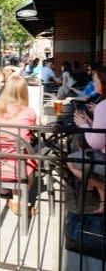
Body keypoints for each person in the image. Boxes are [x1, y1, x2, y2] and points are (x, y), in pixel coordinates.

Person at [0, 75, 37, 214]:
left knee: (18, 154)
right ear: (24, 92)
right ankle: (17, 200)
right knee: (32, 156)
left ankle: (8, 194)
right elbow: (33, 130)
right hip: (18, 169)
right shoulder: (28, 111)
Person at [68, 66, 106, 214]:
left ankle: (101, 187)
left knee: (70, 161)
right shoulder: (102, 105)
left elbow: (96, 143)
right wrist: (90, 124)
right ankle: (102, 203)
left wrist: (83, 124)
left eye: (95, 79)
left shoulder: (103, 105)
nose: (93, 82)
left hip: (104, 158)